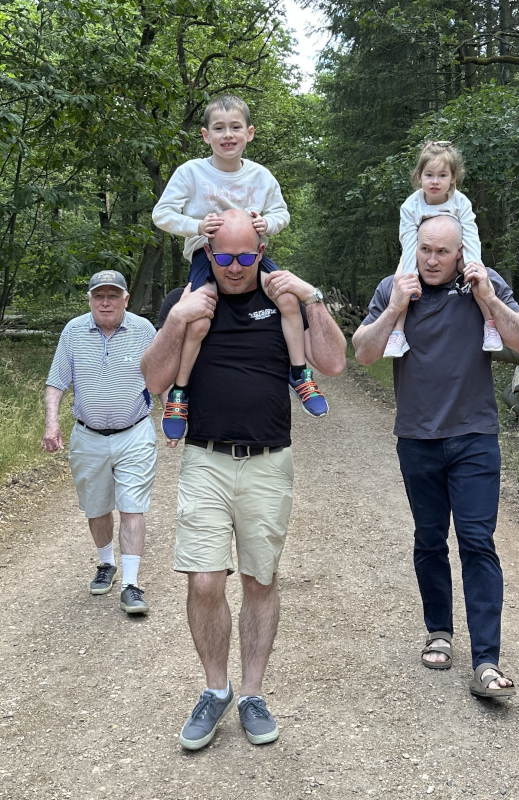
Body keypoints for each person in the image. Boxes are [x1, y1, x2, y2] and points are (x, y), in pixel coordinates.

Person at [141, 209, 346, 748]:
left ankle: (253, 694)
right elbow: (153, 378)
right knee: (204, 580)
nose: (235, 268)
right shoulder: (189, 302)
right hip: (205, 458)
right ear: (208, 255)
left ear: (261, 251)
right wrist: (176, 320)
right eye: (224, 258)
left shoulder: (284, 298)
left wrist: (313, 297)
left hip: (268, 460)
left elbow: (334, 362)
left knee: (259, 580)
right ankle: (215, 689)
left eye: (246, 257)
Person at [353, 214, 519, 697]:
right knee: (430, 539)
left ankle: (486, 661)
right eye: (425, 249)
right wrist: (394, 308)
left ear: (460, 253)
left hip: (475, 435)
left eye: (442, 252)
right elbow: (364, 353)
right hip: (416, 437)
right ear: (414, 247)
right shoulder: (395, 286)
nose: (432, 260)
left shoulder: (481, 281)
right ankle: (439, 631)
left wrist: (489, 300)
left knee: (478, 542)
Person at [152, 93, 328, 440]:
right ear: (206, 135)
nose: (227, 135)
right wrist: (197, 226)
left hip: (252, 256)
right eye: (219, 128)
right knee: (198, 317)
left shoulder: (261, 177)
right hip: (208, 255)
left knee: (288, 299)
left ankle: (299, 373)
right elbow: (162, 214)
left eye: (235, 127)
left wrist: (267, 224)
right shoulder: (191, 172)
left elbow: (282, 213)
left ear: (249, 133)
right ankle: (179, 393)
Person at [41, 270, 158, 615]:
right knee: (96, 507)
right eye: (98, 296)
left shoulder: (144, 330)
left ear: (125, 299)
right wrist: (51, 423)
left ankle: (131, 584)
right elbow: (56, 381)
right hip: (87, 436)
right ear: (90, 299)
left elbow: (160, 375)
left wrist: (176, 417)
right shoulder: (74, 331)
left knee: (132, 506)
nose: (105, 302)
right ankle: (106, 563)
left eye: (112, 295)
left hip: (135, 432)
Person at [384, 140, 504, 358]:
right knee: (400, 279)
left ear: (453, 178)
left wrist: (472, 264)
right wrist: (411, 271)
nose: (435, 181)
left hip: (455, 253)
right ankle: (397, 332)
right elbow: (408, 240)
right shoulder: (411, 206)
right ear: (419, 176)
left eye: (442, 175)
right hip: (419, 253)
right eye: (429, 175)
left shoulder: (461, 202)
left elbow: (470, 234)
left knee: (478, 278)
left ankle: (490, 324)